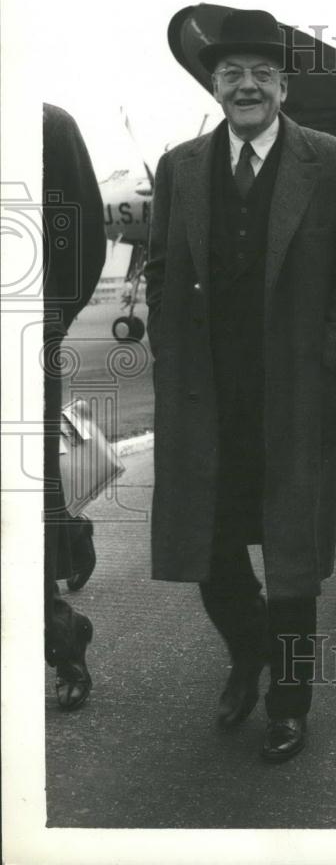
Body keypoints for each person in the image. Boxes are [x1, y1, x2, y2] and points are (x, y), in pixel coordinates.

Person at [145, 8, 336, 762]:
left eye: (261, 73)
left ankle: (291, 701)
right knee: (209, 549)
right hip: (205, 398)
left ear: (284, 84)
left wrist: (330, 363)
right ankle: (249, 652)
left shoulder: (334, 164)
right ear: (213, 84)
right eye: (231, 73)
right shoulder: (179, 166)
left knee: (292, 561)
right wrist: (170, 351)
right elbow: (160, 269)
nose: (246, 86)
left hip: (294, 394)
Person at [43, 103, 107, 709]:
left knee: (20, 509)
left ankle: (61, 638)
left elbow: (86, 237)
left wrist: (47, 323)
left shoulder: (48, 125)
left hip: (18, 346)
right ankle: (71, 532)